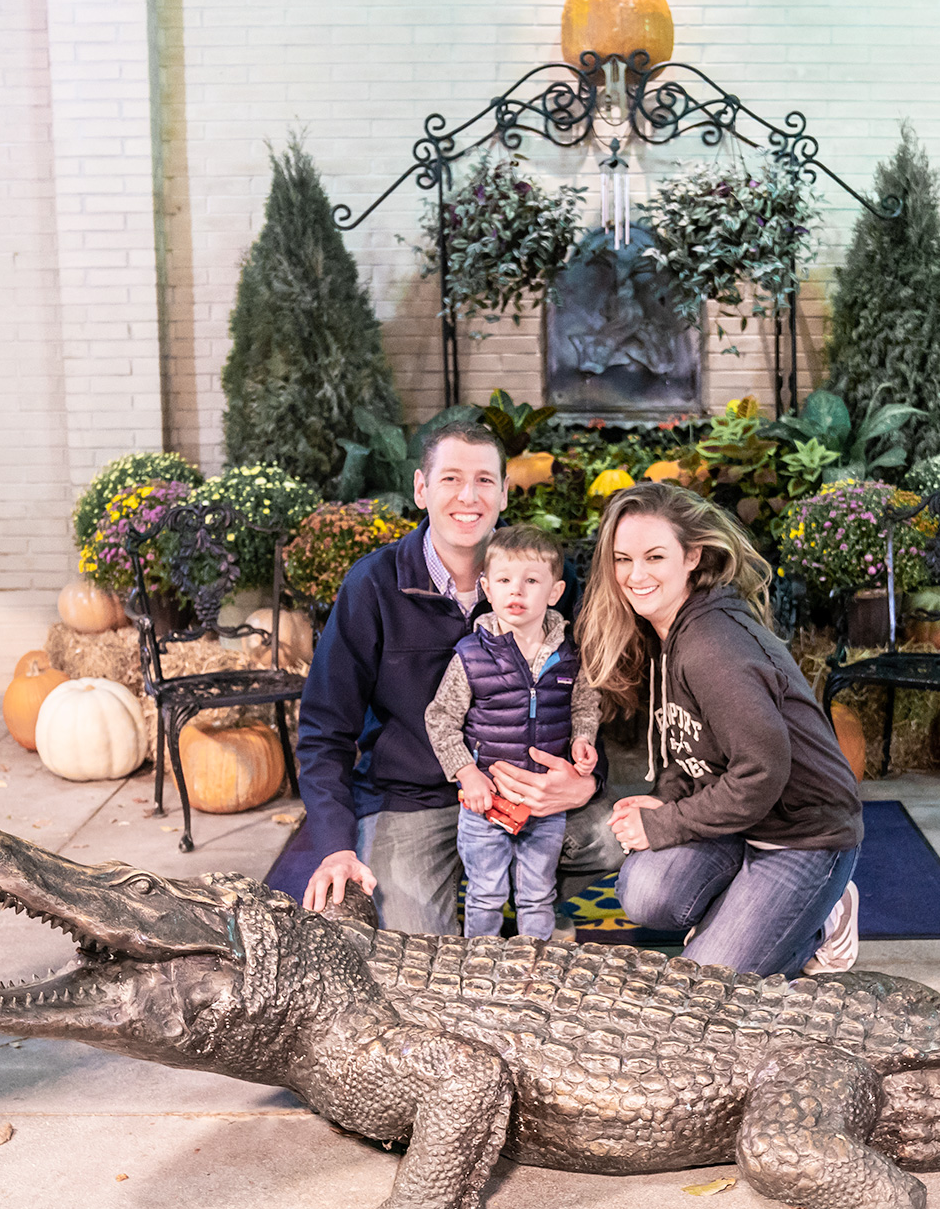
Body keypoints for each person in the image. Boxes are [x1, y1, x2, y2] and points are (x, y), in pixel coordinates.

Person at [296, 419, 624, 934]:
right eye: (450, 479)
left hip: (523, 789)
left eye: (484, 481)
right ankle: (471, 896)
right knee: (415, 952)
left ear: (505, 493)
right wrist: (335, 844)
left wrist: (586, 778)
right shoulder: (374, 585)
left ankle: (530, 899)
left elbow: (580, 691)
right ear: (421, 489)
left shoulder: (547, 580)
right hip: (412, 798)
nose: (467, 496)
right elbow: (323, 729)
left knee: (611, 837)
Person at [576, 480, 862, 978]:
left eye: (654, 557)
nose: (634, 575)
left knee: (710, 988)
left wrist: (666, 823)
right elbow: (683, 744)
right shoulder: (665, 632)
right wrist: (667, 799)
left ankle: (822, 918)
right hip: (740, 824)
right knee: (645, 890)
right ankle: (760, 912)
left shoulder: (713, 646)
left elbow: (761, 772)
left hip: (802, 833)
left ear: (693, 556)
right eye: (622, 559)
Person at [423, 524, 602, 940]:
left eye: (531, 581)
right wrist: (467, 773)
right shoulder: (471, 655)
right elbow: (440, 718)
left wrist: (583, 739)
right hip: (486, 804)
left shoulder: (570, 655)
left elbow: (584, 704)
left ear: (554, 592)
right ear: (486, 587)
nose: (516, 591)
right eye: (504, 580)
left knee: (538, 894)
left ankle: (533, 968)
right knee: (486, 892)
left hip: (544, 806)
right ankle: (480, 966)